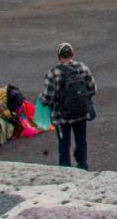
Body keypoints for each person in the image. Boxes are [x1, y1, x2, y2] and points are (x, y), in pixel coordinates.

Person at [39, 42, 95, 170]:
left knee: (64, 145)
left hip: (61, 116)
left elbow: (47, 99)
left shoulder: (53, 73)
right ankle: (82, 165)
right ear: (72, 54)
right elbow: (92, 89)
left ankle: (65, 169)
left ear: (59, 56)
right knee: (81, 141)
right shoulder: (82, 68)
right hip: (81, 113)